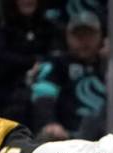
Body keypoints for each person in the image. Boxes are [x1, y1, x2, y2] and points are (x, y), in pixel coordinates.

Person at [30, 11, 106, 139]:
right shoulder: (57, 63)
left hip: (108, 136)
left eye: (89, 35)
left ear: (100, 36)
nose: (84, 41)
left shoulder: (110, 65)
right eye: (78, 36)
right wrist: (50, 123)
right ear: (67, 37)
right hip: (68, 137)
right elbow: (43, 96)